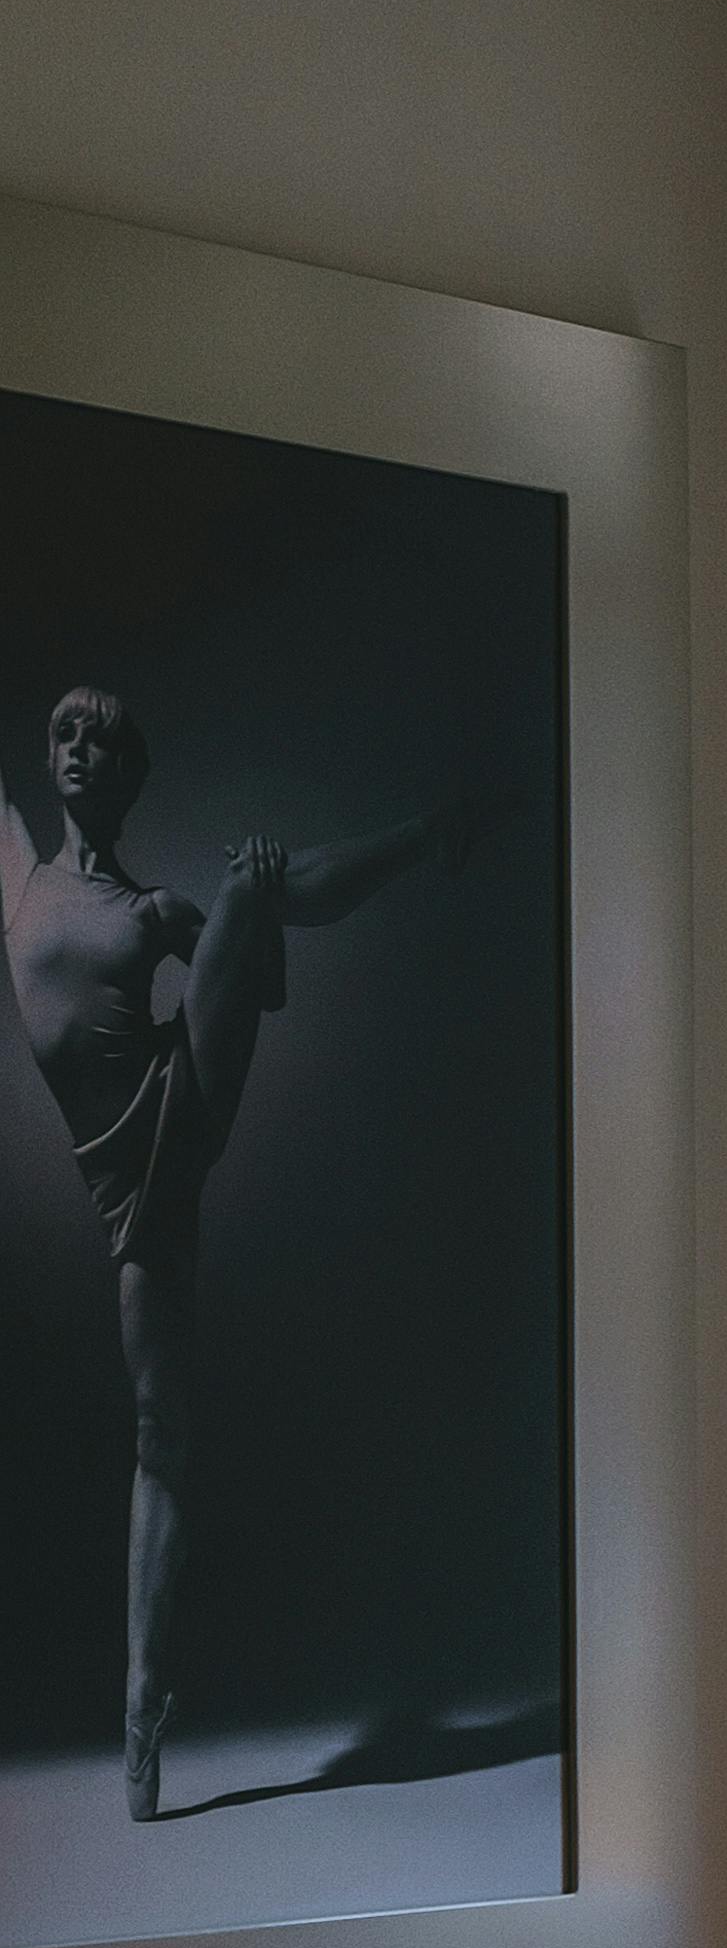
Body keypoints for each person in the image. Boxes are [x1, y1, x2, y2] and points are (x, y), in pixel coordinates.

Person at [0, 684, 495, 1818]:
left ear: (129, 778)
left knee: (244, 888)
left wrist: (256, 899)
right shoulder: (19, 871)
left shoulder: (152, 907)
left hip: (191, 1099)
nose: (79, 750)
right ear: (50, 761)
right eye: (65, 734)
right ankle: (144, 1705)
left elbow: (258, 976)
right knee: (161, 1433)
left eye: (104, 741)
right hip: (129, 1189)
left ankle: (429, 833)